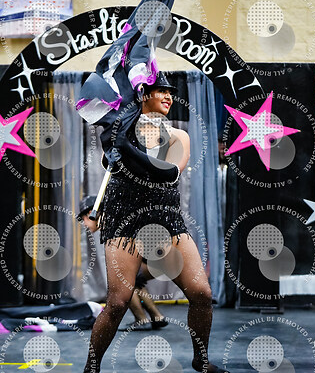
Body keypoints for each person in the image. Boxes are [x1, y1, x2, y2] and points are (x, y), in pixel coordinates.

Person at [83, 73, 228, 373]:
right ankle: (91, 368)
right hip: (125, 222)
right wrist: (117, 141)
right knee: (118, 303)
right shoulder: (118, 133)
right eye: (161, 90)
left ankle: (201, 361)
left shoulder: (178, 136)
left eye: (170, 92)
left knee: (202, 294)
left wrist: (126, 148)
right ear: (143, 94)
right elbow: (112, 162)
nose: (168, 96)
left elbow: (168, 173)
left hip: (166, 221)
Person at [78, 195, 168, 331]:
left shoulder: (111, 224)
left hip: (156, 257)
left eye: (83, 219)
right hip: (161, 258)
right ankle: (157, 317)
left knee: (122, 280)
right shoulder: (113, 220)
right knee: (133, 281)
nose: (84, 224)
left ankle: (141, 320)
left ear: (91, 213)